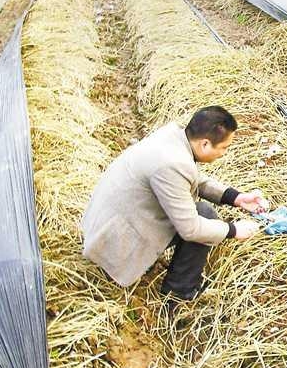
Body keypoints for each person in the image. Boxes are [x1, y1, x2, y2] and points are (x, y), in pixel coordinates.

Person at [82, 106, 262, 301]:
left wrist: (235, 197)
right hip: (116, 241)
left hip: (109, 219)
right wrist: (234, 230)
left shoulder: (173, 138)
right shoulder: (173, 165)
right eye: (224, 148)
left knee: (202, 213)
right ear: (205, 144)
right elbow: (191, 229)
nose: (224, 153)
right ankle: (179, 293)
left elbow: (192, 179)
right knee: (205, 217)